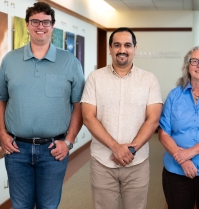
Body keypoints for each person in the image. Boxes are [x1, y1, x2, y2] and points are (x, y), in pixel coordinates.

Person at [0, 1, 85, 209]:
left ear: (52, 26)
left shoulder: (70, 62)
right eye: (35, 21)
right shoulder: (10, 60)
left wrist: (68, 142)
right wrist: (2, 134)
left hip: (54, 149)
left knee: (48, 206)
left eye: (45, 22)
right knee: (20, 206)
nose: (40, 26)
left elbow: (79, 104)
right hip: (17, 149)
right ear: (27, 25)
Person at [81, 27, 163, 209]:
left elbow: (153, 120)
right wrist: (115, 147)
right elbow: (88, 117)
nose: (122, 50)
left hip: (137, 162)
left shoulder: (149, 80)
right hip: (102, 162)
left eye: (127, 45)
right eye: (117, 45)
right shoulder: (95, 78)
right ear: (110, 49)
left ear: (134, 48)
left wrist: (130, 150)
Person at [159, 46, 199, 209]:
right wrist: (180, 158)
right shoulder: (174, 95)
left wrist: (190, 152)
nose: (198, 65)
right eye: (195, 61)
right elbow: (163, 133)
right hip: (176, 169)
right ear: (187, 66)